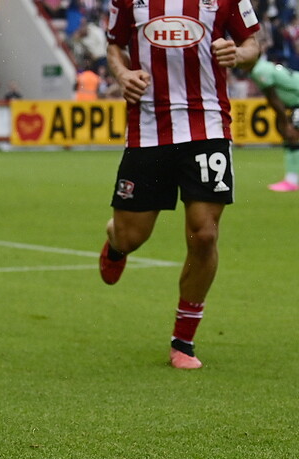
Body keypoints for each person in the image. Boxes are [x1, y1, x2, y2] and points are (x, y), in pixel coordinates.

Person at [98, 0, 260, 369]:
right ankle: (115, 242)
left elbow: (253, 44)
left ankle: (182, 341)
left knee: (204, 234)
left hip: (209, 127)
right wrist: (123, 75)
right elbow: (114, 46)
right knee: (130, 236)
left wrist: (238, 52)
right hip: (148, 130)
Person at [245, 58, 299, 191]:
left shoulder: (259, 70)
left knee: (293, 137)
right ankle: (291, 179)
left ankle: (291, 181)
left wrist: (285, 123)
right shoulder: (263, 66)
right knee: (293, 138)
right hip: (295, 103)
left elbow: (273, 98)